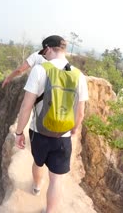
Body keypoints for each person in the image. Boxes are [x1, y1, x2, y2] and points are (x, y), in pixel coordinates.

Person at [14, 35, 89, 213]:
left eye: (44, 52)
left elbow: (26, 106)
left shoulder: (40, 70)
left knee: (38, 163)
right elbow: (80, 112)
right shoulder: (78, 76)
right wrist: (74, 129)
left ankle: (37, 185)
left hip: (39, 132)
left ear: (48, 48)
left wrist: (19, 133)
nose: (44, 56)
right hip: (62, 136)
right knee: (57, 180)